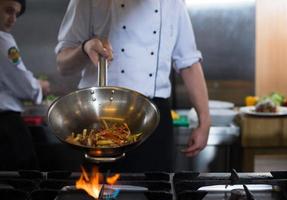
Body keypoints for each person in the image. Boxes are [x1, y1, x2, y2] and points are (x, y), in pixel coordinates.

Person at [55, 0, 210, 172]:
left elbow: (188, 62)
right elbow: (63, 64)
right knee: (98, 192)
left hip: (152, 119)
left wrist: (205, 121)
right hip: (98, 117)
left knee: (155, 190)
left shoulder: (172, 3)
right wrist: (85, 48)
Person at [0, 0, 50, 170]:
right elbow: (21, 82)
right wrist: (39, 86)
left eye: (16, 14)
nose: (13, 19)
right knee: (22, 184)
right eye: (8, 11)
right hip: (6, 126)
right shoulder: (3, 40)